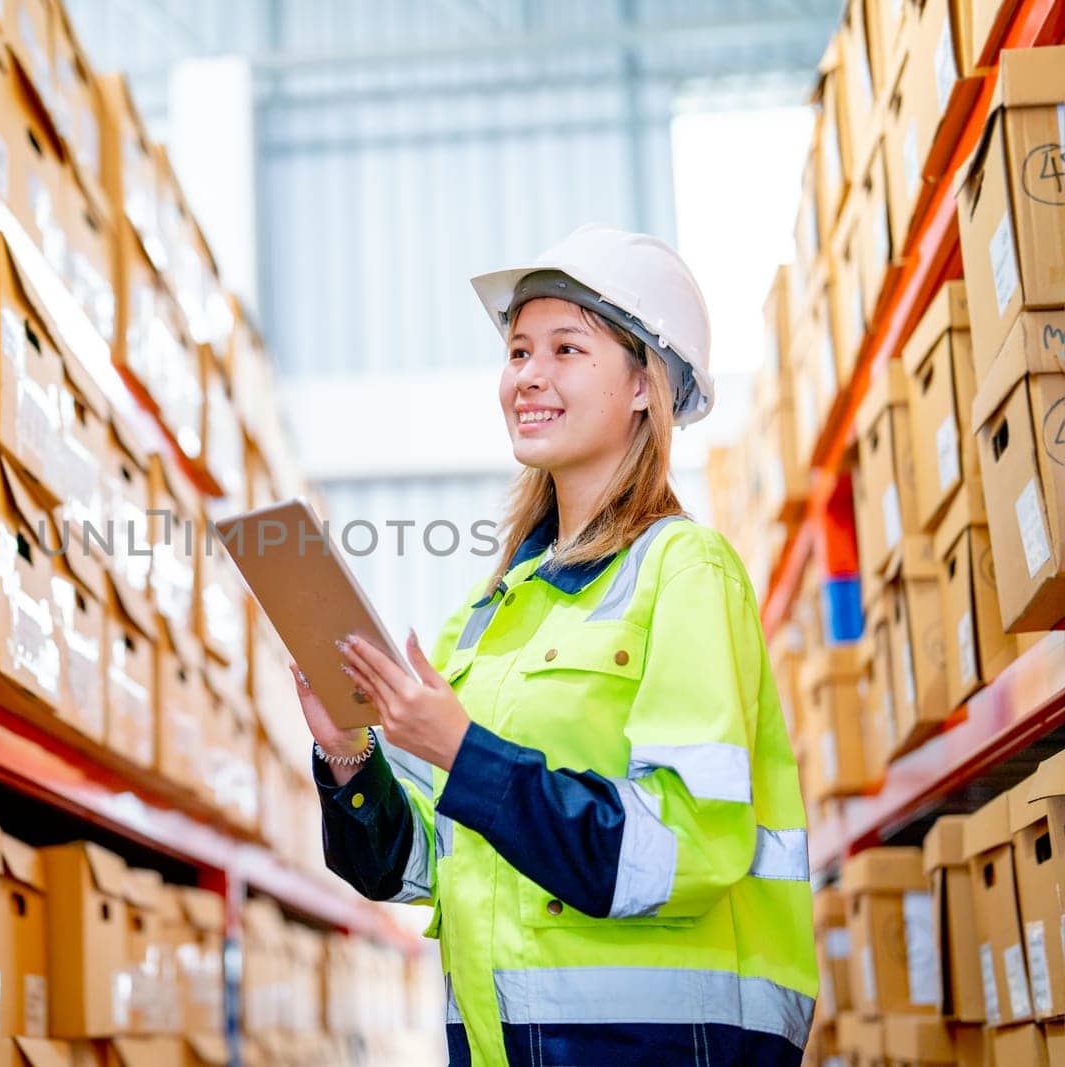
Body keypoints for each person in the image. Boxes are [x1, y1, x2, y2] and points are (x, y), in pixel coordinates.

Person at [294, 224, 817, 1066]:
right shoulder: (489, 615)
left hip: (663, 1049)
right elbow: (423, 867)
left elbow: (687, 845)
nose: (527, 376)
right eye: (518, 351)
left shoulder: (685, 569)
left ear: (646, 383)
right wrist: (350, 751)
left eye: (566, 349)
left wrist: (466, 754)